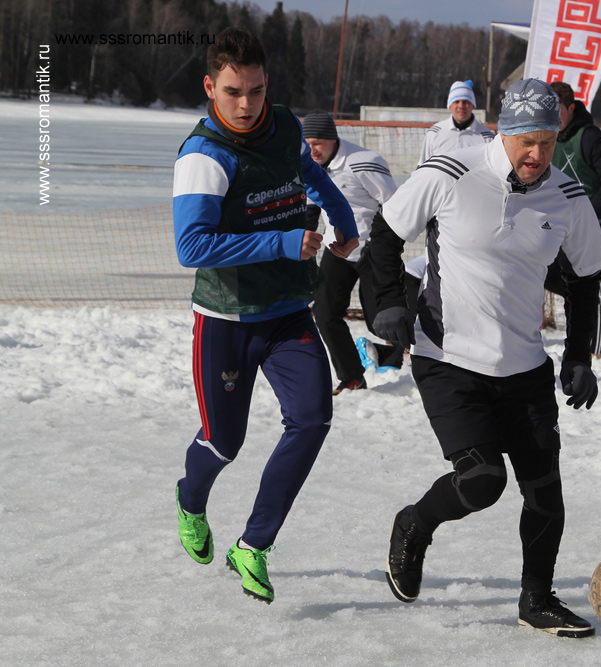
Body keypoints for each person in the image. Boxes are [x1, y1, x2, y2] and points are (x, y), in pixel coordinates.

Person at [367, 78, 601, 638]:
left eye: (547, 142)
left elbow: (587, 280)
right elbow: (384, 234)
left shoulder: (567, 196)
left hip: (524, 367)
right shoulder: (450, 172)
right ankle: (414, 523)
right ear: (502, 132)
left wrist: (579, 357)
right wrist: (387, 305)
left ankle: (537, 599)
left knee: (545, 492)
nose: (537, 154)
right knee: (481, 481)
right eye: (526, 141)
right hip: (448, 358)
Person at [171, 27, 359, 604]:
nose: (247, 104)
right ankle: (190, 499)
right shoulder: (204, 157)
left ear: (267, 83)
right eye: (233, 92)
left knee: (313, 418)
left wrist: (343, 220)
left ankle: (253, 544)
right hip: (226, 320)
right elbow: (192, 247)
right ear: (211, 87)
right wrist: (280, 242)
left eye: (255, 90)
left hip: (287, 313)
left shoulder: (283, 125)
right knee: (223, 443)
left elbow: (312, 175)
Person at [301, 109, 401, 394]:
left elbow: (395, 206)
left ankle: (412, 355)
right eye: (307, 143)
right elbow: (311, 209)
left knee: (380, 321)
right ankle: (352, 377)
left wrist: (384, 247)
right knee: (324, 314)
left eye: (318, 143)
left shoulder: (363, 162)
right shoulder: (309, 165)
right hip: (336, 250)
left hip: (372, 249)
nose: (312, 149)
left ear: (333, 139)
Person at [544, 81, 601, 359]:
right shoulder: (547, 138)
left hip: (600, 223)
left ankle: (596, 350)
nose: (554, 117)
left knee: (596, 286)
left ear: (571, 108)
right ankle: (579, 318)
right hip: (562, 224)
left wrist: (588, 213)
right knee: (549, 275)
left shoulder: (590, 137)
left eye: (558, 110)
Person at [418, 79, 494, 165]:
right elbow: (422, 167)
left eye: (465, 102)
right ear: (450, 106)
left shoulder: (487, 137)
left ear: (473, 105)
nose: (461, 106)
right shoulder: (434, 133)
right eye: (456, 101)